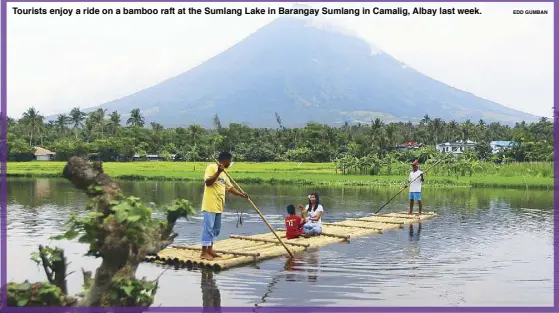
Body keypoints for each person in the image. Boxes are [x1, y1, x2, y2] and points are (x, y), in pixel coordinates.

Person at [200, 152, 248, 260]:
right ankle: (203, 253)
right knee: (208, 228)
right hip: (210, 204)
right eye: (229, 161)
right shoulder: (212, 167)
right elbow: (208, 182)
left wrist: (241, 194)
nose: (230, 163)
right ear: (224, 160)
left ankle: (210, 250)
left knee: (215, 229)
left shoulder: (225, 174)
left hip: (219, 206)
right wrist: (218, 172)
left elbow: (230, 188)